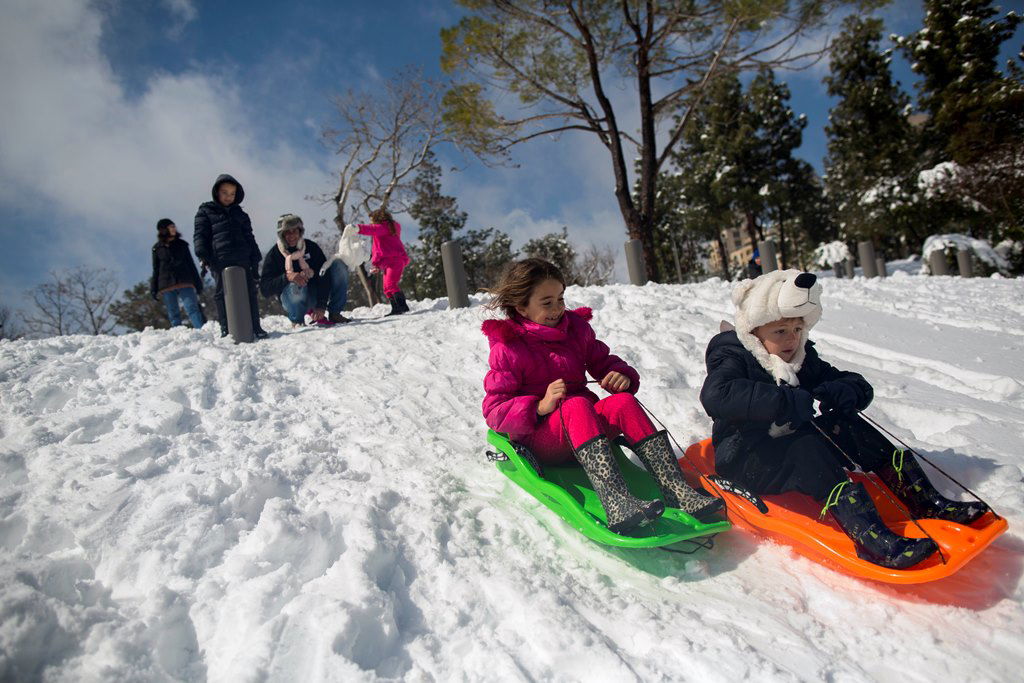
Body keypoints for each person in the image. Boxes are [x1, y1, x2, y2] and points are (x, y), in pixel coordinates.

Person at [699, 269, 989, 569]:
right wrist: (783, 401)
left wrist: (843, 391)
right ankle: (871, 538)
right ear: (755, 331)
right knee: (806, 445)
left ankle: (925, 501)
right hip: (747, 458)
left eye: (797, 329)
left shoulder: (800, 357)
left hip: (788, 448)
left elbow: (852, 381)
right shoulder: (733, 354)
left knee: (847, 425)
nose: (791, 339)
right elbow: (717, 395)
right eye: (780, 331)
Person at [482, 258, 723, 534]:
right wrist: (539, 406)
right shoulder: (508, 347)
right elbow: (494, 410)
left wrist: (620, 375)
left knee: (622, 402)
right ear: (520, 306)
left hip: (588, 434)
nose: (557, 308)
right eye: (546, 302)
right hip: (545, 439)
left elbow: (603, 360)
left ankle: (676, 490)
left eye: (560, 298)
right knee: (575, 405)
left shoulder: (576, 330)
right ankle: (617, 502)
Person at [193, 173, 267, 339]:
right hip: (219, 257)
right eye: (225, 192)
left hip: (242, 256)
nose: (228, 197)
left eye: (232, 194)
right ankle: (226, 328)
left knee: (250, 291)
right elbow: (200, 234)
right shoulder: (206, 211)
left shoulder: (240, 214)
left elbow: (249, 236)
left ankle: (255, 326)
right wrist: (203, 254)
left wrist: (255, 257)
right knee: (222, 292)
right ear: (217, 192)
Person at [259, 214, 350, 326]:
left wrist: (321, 306)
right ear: (282, 235)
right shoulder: (275, 255)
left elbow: (324, 276)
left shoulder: (311, 247)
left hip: (315, 295)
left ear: (300, 232)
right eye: (288, 232)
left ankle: (335, 313)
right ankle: (297, 321)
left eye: (295, 231)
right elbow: (265, 289)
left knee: (339, 264)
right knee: (295, 284)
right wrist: (287, 277)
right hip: (292, 297)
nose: (292, 235)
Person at [150, 218, 205, 329]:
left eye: (174, 226)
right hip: (166, 284)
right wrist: (153, 288)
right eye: (171, 227)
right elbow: (156, 269)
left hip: (185, 281)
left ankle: (202, 331)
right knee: (173, 312)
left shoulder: (182, 244)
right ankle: (177, 333)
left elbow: (191, 265)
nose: (174, 229)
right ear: (163, 230)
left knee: (192, 308)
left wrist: (198, 284)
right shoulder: (157, 248)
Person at [357, 208, 410, 316]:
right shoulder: (383, 231)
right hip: (388, 263)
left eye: (372, 220)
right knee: (386, 288)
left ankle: (402, 307)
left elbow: (371, 229)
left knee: (391, 284)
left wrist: (357, 228)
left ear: (377, 218)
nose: (370, 222)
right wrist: (375, 263)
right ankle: (396, 308)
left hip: (395, 260)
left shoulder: (384, 227)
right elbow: (377, 249)